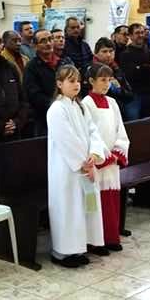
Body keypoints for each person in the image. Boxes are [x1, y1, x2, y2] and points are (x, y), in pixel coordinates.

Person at [47, 65, 108, 268]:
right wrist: (84, 162)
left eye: (77, 80)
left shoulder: (80, 106)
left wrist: (94, 154)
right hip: (67, 169)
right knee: (68, 208)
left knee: (82, 208)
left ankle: (78, 248)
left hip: (84, 165)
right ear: (59, 84)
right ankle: (62, 252)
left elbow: (93, 132)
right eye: (70, 81)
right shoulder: (57, 109)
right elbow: (67, 140)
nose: (76, 84)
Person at [82, 64, 130, 251]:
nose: (107, 84)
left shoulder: (112, 102)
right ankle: (95, 241)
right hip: (98, 161)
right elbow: (90, 133)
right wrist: (104, 155)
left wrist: (118, 152)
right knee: (96, 203)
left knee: (111, 201)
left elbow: (120, 130)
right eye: (102, 80)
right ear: (91, 81)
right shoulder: (86, 103)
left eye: (109, 80)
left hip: (112, 161)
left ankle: (110, 237)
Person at [23, 29, 70, 136]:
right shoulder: (31, 67)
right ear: (35, 46)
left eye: (50, 39)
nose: (48, 43)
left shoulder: (64, 62)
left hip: (67, 113)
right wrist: (57, 106)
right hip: (44, 118)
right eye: (43, 41)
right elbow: (34, 95)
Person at [119, 23, 150, 119]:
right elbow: (131, 74)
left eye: (142, 32)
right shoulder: (125, 55)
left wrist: (142, 68)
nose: (141, 35)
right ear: (130, 36)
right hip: (134, 96)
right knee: (136, 127)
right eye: (137, 33)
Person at [93, 37, 135, 119]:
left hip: (119, 112)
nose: (108, 54)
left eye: (111, 51)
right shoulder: (91, 70)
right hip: (99, 114)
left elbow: (130, 95)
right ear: (96, 53)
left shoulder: (117, 69)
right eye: (104, 51)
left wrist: (119, 89)